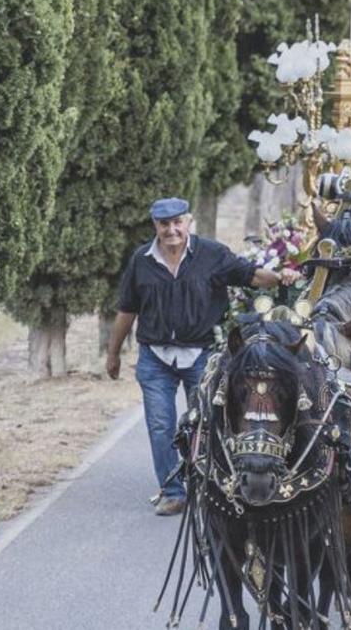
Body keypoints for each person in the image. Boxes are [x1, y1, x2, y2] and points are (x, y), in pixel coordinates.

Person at [105, 197, 299, 516]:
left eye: (177, 222)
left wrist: (281, 278)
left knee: (209, 421)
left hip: (201, 356)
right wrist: (113, 353)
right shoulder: (141, 260)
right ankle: (172, 491)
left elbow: (249, 275)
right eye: (164, 224)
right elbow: (127, 309)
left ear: (189, 222)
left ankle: (211, 483)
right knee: (161, 424)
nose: (171, 230)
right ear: (155, 225)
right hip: (155, 358)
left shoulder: (211, 254)